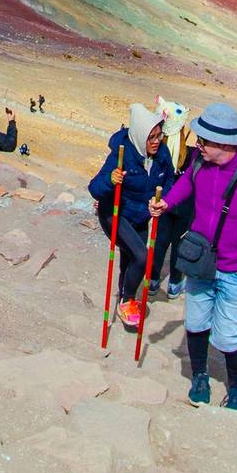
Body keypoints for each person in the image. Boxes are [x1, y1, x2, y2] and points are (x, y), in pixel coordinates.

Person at [147, 102, 237, 412]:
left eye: (203, 140)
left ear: (223, 143)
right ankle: (201, 377)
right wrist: (166, 203)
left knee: (227, 334)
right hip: (201, 261)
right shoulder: (199, 163)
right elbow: (186, 184)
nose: (198, 144)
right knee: (195, 323)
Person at [87, 103, 177, 329]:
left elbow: (169, 181)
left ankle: (124, 296)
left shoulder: (162, 154)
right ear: (140, 136)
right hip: (115, 214)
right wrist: (111, 180)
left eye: (159, 136)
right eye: (152, 137)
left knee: (130, 260)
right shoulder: (122, 154)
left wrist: (161, 198)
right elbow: (95, 188)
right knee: (142, 257)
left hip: (141, 216)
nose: (157, 141)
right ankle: (127, 300)